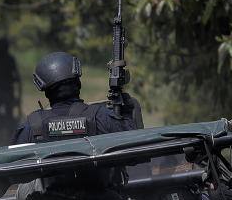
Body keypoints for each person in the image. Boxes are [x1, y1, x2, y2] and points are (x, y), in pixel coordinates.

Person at [11, 52, 142, 144]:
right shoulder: (101, 117)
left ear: (45, 91)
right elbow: (135, 152)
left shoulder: (32, 125)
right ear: (78, 84)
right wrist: (125, 110)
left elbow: (12, 169)